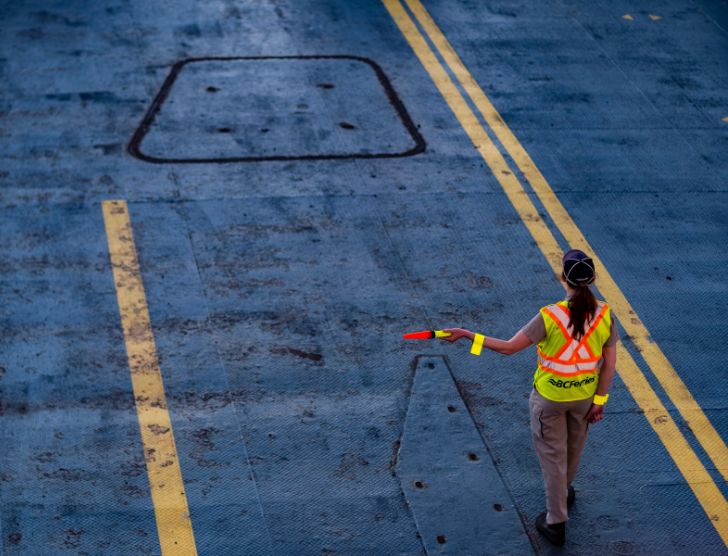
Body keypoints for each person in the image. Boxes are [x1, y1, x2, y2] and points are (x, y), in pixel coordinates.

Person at [442, 249, 618, 546]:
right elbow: (609, 363)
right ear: (594, 279)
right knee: (574, 449)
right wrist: (600, 401)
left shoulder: (549, 316)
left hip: (549, 400)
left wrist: (468, 334)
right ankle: (565, 491)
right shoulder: (605, 314)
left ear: (563, 278)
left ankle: (555, 522)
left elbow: (509, 348)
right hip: (585, 397)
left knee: (553, 459)